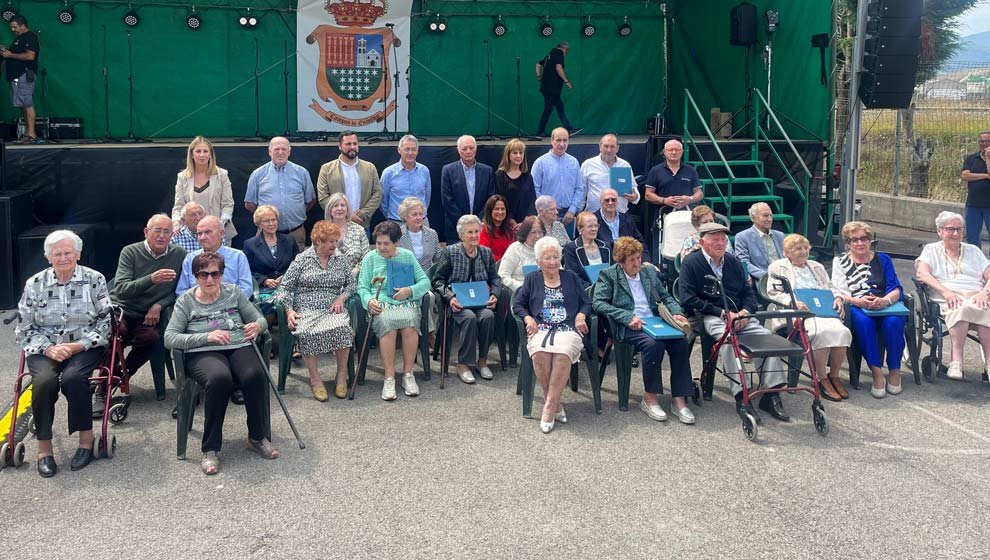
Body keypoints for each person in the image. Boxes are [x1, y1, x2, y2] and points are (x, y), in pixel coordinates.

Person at [164, 252, 277, 475]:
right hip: (203, 350)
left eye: (215, 274)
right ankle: (211, 448)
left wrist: (257, 327)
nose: (209, 279)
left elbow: (259, 318)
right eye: (203, 274)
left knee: (254, 375)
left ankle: (256, 436)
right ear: (195, 276)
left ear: (222, 274)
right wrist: (206, 337)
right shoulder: (186, 300)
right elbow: (170, 337)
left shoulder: (233, 292)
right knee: (219, 379)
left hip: (237, 345)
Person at [15, 230, 111, 477]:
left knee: (73, 379)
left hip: (84, 345)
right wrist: (48, 348)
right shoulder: (34, 284)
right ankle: (44, 450)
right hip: (44, 347)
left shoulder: (94, 279)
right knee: (44, 382)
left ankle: (85, 442)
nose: (63, 258)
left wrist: (76, 346)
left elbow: (105, 323)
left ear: (78, 254)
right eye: (57, 254)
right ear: (49, 257)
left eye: (68, 252)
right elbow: (24, 327)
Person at [679, 222, 790, 421]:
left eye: (723, 239)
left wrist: (745, 312)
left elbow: (749, 293)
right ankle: (742, 396)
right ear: (702, 241)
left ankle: (771, 394)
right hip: (711, 316)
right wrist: (721, 312)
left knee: (767, 340)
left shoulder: (733, 262)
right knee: (729, 342)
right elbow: (687, 298)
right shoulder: (691, 262)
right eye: (715, 239)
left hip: (741, 316)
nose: (720, 243)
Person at [593, 236, 695, 424]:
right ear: (621, 261)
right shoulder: (609, 275)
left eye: (639, 258)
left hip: (655, 321)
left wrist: (677, 312)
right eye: (632, 260)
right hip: (630, 324)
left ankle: (679, 399)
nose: (637, 263)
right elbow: (598, 303)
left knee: (680, 342)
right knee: (653, 345)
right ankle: (650, 397)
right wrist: (626, 317)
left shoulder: (648, 273)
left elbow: (665, 296)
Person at [514, 237, 590, 433]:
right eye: (547, 258)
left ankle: (548, 408)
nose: (552, 262)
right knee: (540, 352)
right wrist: (528, 318)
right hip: (541, 327)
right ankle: (554, 402)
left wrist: (581, 315)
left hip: (567, 327)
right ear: (539, 261)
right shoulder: (532, 278)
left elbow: (586, 302)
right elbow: (518, 304)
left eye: (556, 257)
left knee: (563, 353)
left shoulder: (570, 277)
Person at [274, 221, 355, 401]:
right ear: (318, 241)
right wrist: (289, 310)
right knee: (308, 332)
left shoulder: (340, 259)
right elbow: (285, 287)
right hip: (306, 307)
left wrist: (342, 297)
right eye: (331, 242)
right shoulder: (302, 259)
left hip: (332, 306)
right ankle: (315, 379)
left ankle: (341, 374)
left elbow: (351, 284)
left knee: (343, 327)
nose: (335, 245)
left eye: (336, 241)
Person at [766, 234, 852, 402]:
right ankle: (821, 378)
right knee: (821, 332)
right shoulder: (777, 267)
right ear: (787, 252)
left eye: (806, 248)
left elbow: (830, 287)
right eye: (798, 249)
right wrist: (793, 302)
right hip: (797, 314)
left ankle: (834, 375)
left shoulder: (816, 266)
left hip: (823, 309)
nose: (803, 252)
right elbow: (773, 292)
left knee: (842, 331)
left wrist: (837, 298)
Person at [831, 221, 906, 399]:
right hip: (857, 305)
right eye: (854, 240)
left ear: (870, 240)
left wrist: (885, 300)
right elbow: (837, 290)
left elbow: (895, 287)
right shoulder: (840, 261)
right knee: (864, 323)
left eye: (864, 238)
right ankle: (876, 372)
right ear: (848, 243)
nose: (859, 243)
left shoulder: (884, 259)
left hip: (885, 304)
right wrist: (857, 301)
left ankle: (895, 370)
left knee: (894, 322)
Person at [358, 221, 432, 401]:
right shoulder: (370, 258)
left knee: (409, 325)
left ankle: (408, 374)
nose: (381, 247)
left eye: (386, 243)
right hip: (381, 303)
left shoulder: (407, 256)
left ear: (396, 242)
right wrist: (369, 301)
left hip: (405, 302)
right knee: (389, 326)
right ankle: (389, 378)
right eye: (378, 243)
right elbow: (362, 287)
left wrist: (410, 291)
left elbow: (425, 282)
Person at [110, 214, 185, 383]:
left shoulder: (178, 254)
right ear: (146, 232)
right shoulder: (130, 251)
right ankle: (103, 386)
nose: (162, 236)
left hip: (149, 315)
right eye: (157, 231)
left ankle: (121, 375)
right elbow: (121, 290)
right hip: (123, 308)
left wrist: (160, 304)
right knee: (116, 332)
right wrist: (151, 279)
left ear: (172, 235)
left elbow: (180, 290)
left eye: (167, 232)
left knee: (150, 338)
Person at [916, 211, 990, 380]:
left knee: (984, 308)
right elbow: (923, 274)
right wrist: (946, 292)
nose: (956, 233)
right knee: (961, 307)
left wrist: (985, 292)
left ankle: (989, 363)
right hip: (945, 294)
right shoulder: (931, 250)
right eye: (950, 229)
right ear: (940, 231)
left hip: (976, 294)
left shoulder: (974, 251)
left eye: (959, 229)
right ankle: (956, 361)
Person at [432, 215, 501, 383]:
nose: (474, 235)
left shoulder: (485, 253)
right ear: (461, 235)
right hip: (458, 302)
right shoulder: (450, 252)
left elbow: (495, 279)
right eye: (469, 232)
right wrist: (450, 297)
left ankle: (482, 361)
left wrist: (495, 294)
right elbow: (437, 281)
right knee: (469, 317)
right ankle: (463, 364)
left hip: (480, 300)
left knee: (487, 316)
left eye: (477, 231)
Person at [244, 136, 317, 250]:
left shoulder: (301, 173)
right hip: (266, 234)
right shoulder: (258, 174)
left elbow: (311, 201)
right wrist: (265, 218)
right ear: (269, 152)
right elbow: (250, 204)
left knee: (297, 266)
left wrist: (296, 213)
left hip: (295, 234)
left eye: (284, 149)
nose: (280, 152)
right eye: (276, 149)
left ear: (289, 152)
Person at [171, 136, 237, 244]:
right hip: (190, 235)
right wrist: (176, 222)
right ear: (192, 154)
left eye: (205, 151)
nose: (202, 155)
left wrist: (221, 223)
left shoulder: (222, 175)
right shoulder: (182, 177)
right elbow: (178, 207)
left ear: (210, 154)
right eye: (198, 151)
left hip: (217, 233)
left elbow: (228, 205)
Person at [315, 130, 383, 232]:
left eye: (355, 144)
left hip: (362, 224)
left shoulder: (369, 167)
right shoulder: (327, 169)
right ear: (339, 146)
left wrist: (362, 214)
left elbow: (377, 193)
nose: (352, 147)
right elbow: (323, 197)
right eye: (348, 144)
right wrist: (346, 216)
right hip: (335, 227)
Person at [175, 216, 252, 298]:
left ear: (221, 233)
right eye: (199, 234)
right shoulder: (190, 259)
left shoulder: (238, 256)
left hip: (230, 307)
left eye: (207, 232)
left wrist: (224, 304)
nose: (202, 237)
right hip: (198, 307)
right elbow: (181, 291)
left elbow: (246, 289)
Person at [243, 205, 299, 316]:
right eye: (266, 221)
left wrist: (286, 277)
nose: (271, 224)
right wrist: (264, 280)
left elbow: (298, 265)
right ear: (259, 224)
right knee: (270, 304)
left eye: (273, 220)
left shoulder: (289, 240)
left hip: (289, 286)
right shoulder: (250, 244)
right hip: (265, 289)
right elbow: (247, 272)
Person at [397, 196, 442, 337]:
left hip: (428, 276)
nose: (418, 218)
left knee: (435, 296)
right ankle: (429, 334)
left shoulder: (432, 233)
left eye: (421, 214)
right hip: (406, 278)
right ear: (405, 217)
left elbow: (439, 258)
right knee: (428, 297)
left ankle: (429, 333)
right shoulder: (397, 234)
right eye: (414, 214)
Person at [440, 135, 494, 242]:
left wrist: (477, 221)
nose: (468, 151)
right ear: (458, 150)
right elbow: (447, 200)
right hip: (455, 228)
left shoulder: (487, 171)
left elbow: (490, 198)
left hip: (480, 228)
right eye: (464, 148)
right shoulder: (448, 170)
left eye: (471, 148)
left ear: (476, 148)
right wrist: (464, 223)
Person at [532, 128, 583, 228]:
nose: (562, 144)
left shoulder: (574, 162)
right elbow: (535, 189)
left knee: (567, 243)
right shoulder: (540, 163)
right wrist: (546, 211)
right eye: (558, 140)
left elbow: (579, 188)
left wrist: (572, 210)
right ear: (552, 141)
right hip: (546, 216)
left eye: (565, 140)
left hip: (568, 215)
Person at [1, 15, 39, 144]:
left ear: (22, 25)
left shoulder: (30, 37)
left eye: (14, 27)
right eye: (11, 27)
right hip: (16, 76)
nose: (13, 29)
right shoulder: (19, 39)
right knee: (22, 105)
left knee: (27, 103)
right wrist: (6, 51)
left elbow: (30, 56)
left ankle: (32, 134)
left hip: (24, 75)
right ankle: (28, 133)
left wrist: (10, 54)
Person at [581, 133, 640, 214]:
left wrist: (635, 197)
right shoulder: (588, 164)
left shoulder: (624, 165)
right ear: (600, 147)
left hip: (620, 215)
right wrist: (578, 212)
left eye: (612, 146)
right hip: (594, 216)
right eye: (606, 146)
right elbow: (581, 191)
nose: (609, 150)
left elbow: (634, 189)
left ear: (617, 148)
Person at [381, 134, 431, 223]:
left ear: (417, 151)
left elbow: (427, 197)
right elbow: (383, 201)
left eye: (413, 149)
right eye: (407, 149)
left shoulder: (424, 171)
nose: (410, 153)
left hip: (421, 222)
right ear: (399, 150)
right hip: (397, 223)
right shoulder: (389, 173)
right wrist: (393, 218)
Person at [643, 139, 702, 210]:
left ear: (682, 151)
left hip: (687, 213)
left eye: (677, 150)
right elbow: (648, 194)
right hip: (663, 214)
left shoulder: (691, 170)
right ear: (664, 152)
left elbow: (699, 193)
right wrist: (664, 200)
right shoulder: (655, 171)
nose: (674, 152)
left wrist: (689, 199)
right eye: (670, 150)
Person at [734, 202, 785, 280]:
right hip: (763, 279)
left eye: (770, 215)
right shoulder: (742, 237)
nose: (769, 219)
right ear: (753, 218)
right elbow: (744, 263)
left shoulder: (780, 235)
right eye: (765, 216)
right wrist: (767, 276)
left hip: (785, 276)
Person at [534, 42, 576, 137]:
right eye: (567, 49)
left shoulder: (549, 55)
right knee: (548, 110)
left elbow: (538, 64)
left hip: (549, 88)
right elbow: (558, 68)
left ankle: (569, 129)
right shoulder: (558, 53)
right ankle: (540, 132)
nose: (567, 52)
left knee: (560, 108)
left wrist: (539, 76)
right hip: (552, 89)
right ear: (563, 48)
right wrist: (567, 81)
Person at [595, 188, 648, 262]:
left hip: (627, 261)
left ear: (617, 202)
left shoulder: (627, 219)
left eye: (613, 200)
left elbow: (639, 242)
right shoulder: (593, 220)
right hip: (604, 261)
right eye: (607, 200)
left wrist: (645, 261)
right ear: (600, 201)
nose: (610, 203)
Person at [324, 192, 369, 273]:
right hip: (328, 279)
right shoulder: (322, 231)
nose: (339, 208)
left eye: (342, 205)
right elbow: (315, 257)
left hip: (356, 278)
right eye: (335, 206)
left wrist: (355, 271)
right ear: (330, 210)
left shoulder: (359, 230)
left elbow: (367, 257)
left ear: (347, 209)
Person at [562, 211, 611, 286]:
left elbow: (613, 271)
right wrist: (593, 289)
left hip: (608, 288)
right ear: (579, 229)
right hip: (585, 291)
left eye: (596, 225)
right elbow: (573, 276)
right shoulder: (571, 249)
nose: (594, 229)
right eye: (590, 226)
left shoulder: (606, 246)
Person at [494, 138, 537, 222]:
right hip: (506, 222)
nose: (518, 156)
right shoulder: (500, 175)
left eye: (521, 153)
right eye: (515, 153)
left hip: (526, 222)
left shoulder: (527, 177)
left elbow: (532, 200)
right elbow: (499, 199)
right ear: (508, 155)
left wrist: (528, 219)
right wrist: (510, 218)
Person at [499, 216, 544, 292]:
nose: (538, 236)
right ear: (525, 233)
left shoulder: (548, 248)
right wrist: (522, 288)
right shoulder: (515, 249)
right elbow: (502, 276)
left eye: (540, 232)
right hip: (519, 293)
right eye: (533, 232)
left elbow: (559, 273)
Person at [962, 131, 990, 251]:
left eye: (986, 141)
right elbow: (965, 176)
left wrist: (988, 158)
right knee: (972, 237)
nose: (983, 144)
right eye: (981, 141)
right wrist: (985, 175)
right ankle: (977, 263)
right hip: (973, 204)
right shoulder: (971, 158)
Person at [479, 194, 515, 262]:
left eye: (503, 209)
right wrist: (504, 262)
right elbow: (485, 254)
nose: (500, 212)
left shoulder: (510, 230)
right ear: (490, 211)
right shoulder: (483, 230)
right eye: (496, 209)